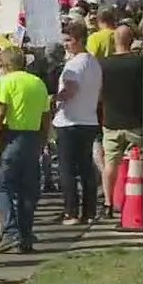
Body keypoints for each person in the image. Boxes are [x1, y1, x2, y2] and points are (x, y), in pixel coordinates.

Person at [0, 48, 51, 254]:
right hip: (32, 138)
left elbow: (0, 111)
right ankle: (25, 235)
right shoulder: (38, 83)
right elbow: (46, 115)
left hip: (11, 136)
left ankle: (12, 231)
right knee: (27, 191)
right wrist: (42, 140)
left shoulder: (6, 82)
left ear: (4, 66)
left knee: (0, 187)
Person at [53, 22, 102, 225]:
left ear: (79, 40)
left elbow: (71, 89)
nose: (66, 44)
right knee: (85, 167)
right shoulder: (94, 62)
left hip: (70, 121)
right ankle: (89, 211)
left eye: (69, 40)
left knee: (66, 169)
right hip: (89, 119)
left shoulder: (74, 65)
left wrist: (55, 99)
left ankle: (70, 211)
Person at [97, 24, 143, 219]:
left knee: (110, 164)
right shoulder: (140, 63)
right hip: (136, 120)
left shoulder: (103, 64)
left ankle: (108, 203)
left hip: (111, 121)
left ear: (114, 41)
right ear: (131, 41)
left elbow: (98, 93)